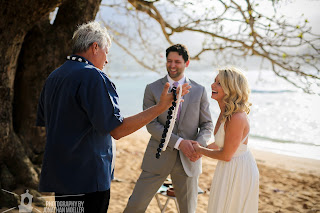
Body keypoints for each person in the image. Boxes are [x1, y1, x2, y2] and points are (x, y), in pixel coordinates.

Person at [36, 22, 190, 213]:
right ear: (95, 47)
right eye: (106, 52)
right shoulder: (92, 77)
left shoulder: (54, 77)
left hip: (61, 177)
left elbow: (47, 122)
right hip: (88, 179)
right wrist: (161, 107)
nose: (107, 60)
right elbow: (117, 129)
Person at [123, 44, 213, 213]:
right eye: (169, 61)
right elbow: (151, 124)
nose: (172, 65)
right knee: (135, 206)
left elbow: (207, 124)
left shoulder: (199, 90)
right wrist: (179, 143)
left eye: (177, 62)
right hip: (157, 158)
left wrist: (198, 146)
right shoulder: (152, 89)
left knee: (189, 210)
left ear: (186, 63)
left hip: (189, 160)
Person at [192, 67, 259, 213]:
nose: (212, 86)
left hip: (238, 169)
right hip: (228, 166)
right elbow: (221, 143)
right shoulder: (226, 111)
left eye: (219, 83)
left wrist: (200, 150)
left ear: (231, 88)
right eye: (214, 82)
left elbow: (226, 155)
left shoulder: (236, 117)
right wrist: (201, 152)